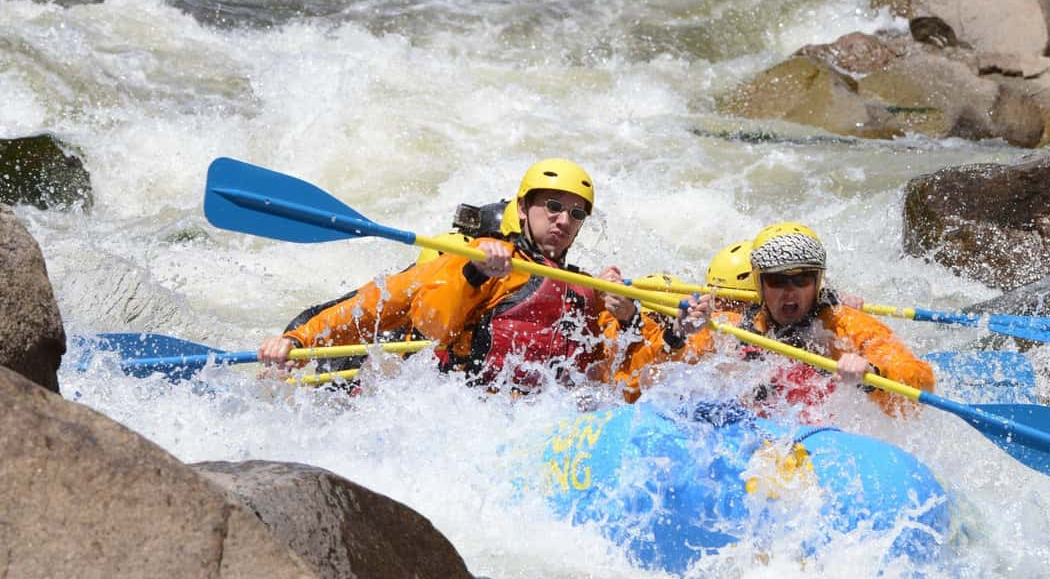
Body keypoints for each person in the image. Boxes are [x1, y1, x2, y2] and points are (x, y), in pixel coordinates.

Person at [258, 158, 678, 396]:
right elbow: (419, 316)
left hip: (543, 422)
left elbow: (623, 381)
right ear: (525, 206)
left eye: (576, 213)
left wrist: (631, 322)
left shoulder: (588, 289)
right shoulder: (475, 261)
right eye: (552, 206)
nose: (563, 220)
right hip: (467, 409)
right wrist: (298, 341)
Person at [714, 223, 934, 418]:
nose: (790, 292)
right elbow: (691, 352)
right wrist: (679, 335)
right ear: (760, 284)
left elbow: (916, 387)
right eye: (777, 280)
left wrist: (873, 373)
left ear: (817, 282)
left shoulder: (844, 326)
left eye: (802, 279)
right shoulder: (741, 324)